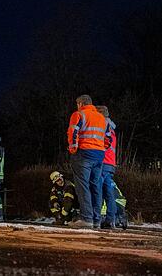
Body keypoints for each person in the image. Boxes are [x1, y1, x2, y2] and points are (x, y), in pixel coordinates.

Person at [66, 95, 107, 228]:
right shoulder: (101, 118)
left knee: (82, 186)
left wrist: (73, 148)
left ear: (80, 103)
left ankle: (86, 219)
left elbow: (73, 132)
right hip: (99, 154)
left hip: (84, 153)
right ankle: (96, 219)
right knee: (95, 186)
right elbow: (108, 138)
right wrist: (101, 148)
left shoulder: (79, 114)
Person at [96, 105, 118, 229]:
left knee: (97, 190)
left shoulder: (103, 125)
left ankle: (97, 219)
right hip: (110, 164)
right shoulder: (112, 127)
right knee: (109, 193)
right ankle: (111, 220)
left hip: (103, 162)